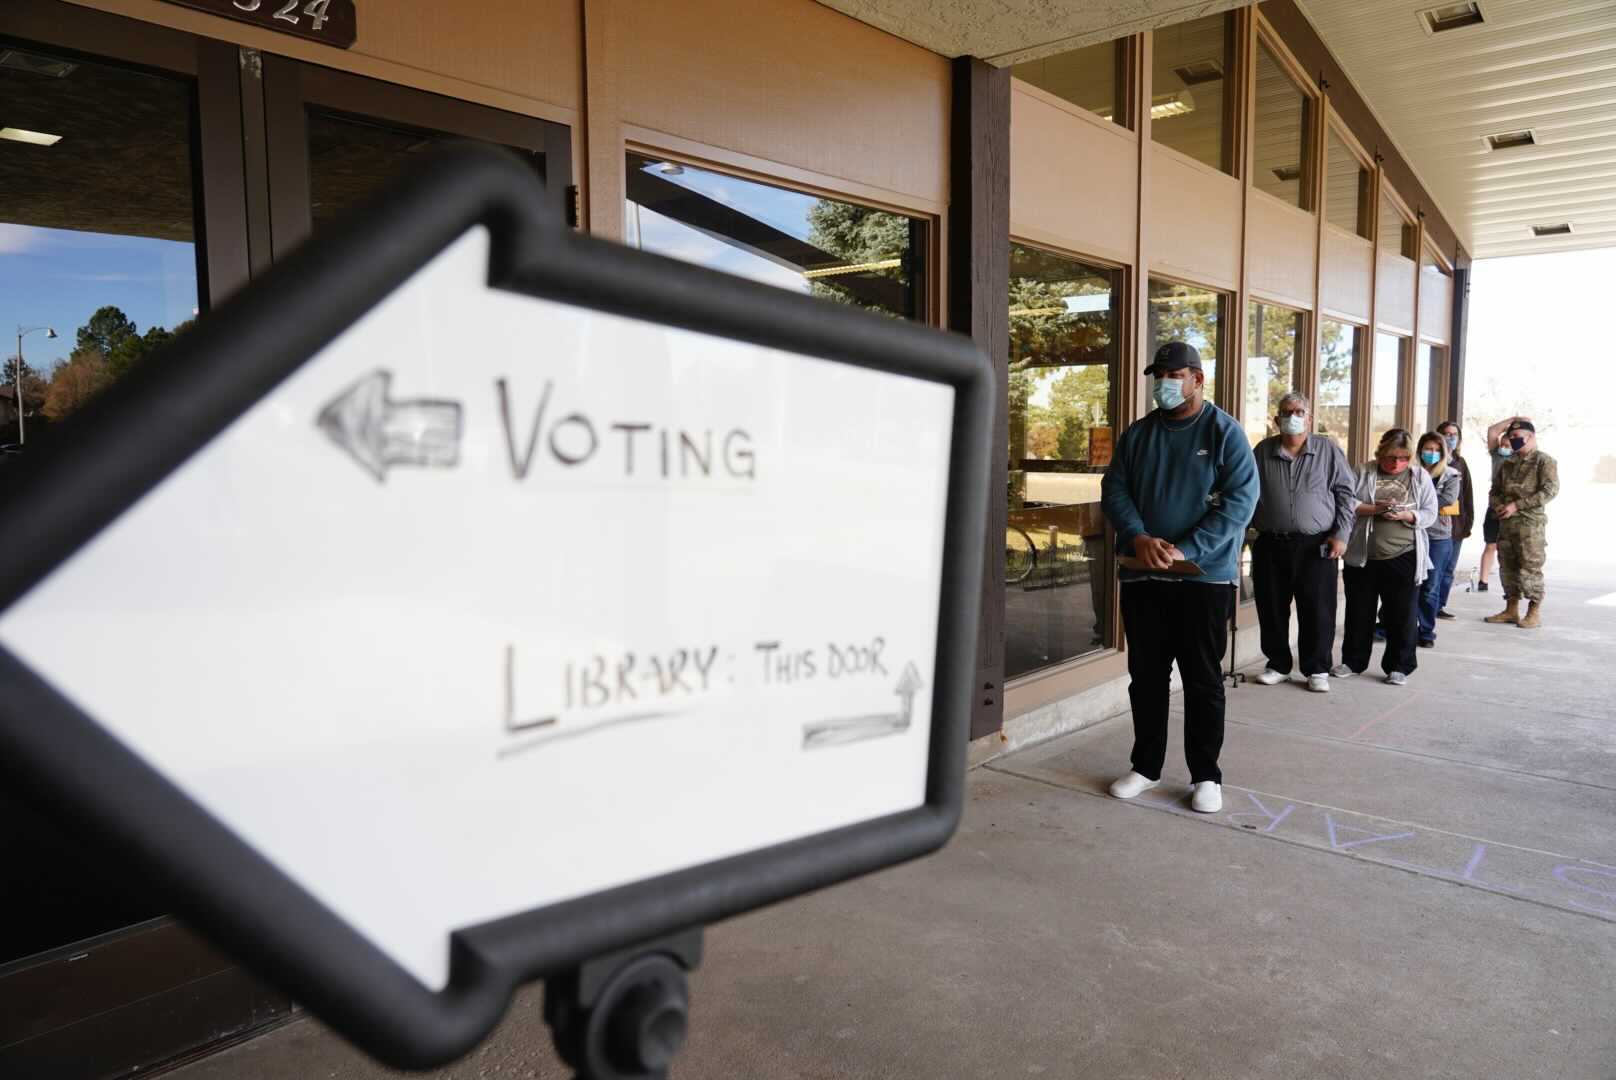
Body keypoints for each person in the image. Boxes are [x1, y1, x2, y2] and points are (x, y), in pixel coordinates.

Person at [1100, 341, 1259, 814]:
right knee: (1146, 677)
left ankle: (1206, 775)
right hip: (1143, 576)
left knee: (1202, 679)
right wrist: (1138, 537)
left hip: (1202, 580)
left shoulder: (1225, 433)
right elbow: (1115, 489)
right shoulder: (1139, 434)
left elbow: (1239, 503)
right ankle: (1146, 767)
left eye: (1173, 375)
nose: (1163, 384)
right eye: (1159, 376)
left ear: (1197, 379)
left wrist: (1185, 549)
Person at [1248, 392, 1356, 693]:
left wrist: (1342, 534)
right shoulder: (1262, 451)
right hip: (1271, 543)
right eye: (1286, 412)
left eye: (1299, 412)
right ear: (1276, 419)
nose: (1292, 417)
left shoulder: (1328, 450)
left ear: (1309, 418)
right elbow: (1246, 493)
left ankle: (1317, 668)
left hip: (1317, 545)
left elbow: (1346, 495)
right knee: (1271, 607)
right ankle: (1278, 664)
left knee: (1318, 609)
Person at [1334, 429, 1437, 686]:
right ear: (1380, 453)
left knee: (1402, 614)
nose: (1396, 464)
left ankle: (1399, 666)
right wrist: (1375, 509)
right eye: (1391, 457)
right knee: (1359, 612)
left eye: (1403, 459)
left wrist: (1406, 515)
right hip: (1363, 556)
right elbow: (1346, 502)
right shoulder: (1363, 471)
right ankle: (1353, 661)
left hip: (1404, 555)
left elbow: (1430, 512)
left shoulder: (1419, 476)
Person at [1483, 418, 1559, 629]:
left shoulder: (1544, 461)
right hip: (1506, 524)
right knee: (1508, 567)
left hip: (1530, 526)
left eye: (1517, 436)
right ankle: (1511, 609)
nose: (1513, 440)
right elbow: (1494, 490)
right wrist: (1498, 505)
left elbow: (1550, 490)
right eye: (1510, 437)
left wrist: (1517, 505)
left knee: (1530, 567)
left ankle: (1533, 612)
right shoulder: (1508, 463)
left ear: (1531, 436)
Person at [1415, 431, 1462, 647]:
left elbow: (1447, 499)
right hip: (1412, 532)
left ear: (1443, 453)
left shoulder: (1451, 475)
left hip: (1438, 537)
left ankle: (1426, 632)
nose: (1432, 453)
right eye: (1428, 449)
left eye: (1436, 450)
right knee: (1404, 585)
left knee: (1430, 588)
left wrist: (1417, 502)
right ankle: (1388, 627)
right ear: (1420, 450)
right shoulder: (1410, 472)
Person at [1475, 415, 1525, 592]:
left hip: (1515, 508)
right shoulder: (1497, 456)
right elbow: (1492, 431)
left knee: (1514, 548)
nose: (1504, 448)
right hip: (1495, 506)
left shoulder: (1521, 458)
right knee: (1491, 544)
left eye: (1508, 445)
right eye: (1502, 444)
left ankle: (1517, 584)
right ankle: (1483, 581)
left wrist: (1521, 428)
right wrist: (1514, 419)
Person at [1434, 419, 1474, 618]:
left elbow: (1467, 494)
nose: (1450, 438)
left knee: (1449, 569)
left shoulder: (1461, 463)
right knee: (1434, 570)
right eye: (1446, 434)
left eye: (1454, 435)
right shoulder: (1432, 460)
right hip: (1435, 524)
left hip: (1456, 525)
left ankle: (1439, 606)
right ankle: (1427, 607)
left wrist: (1468, 522)